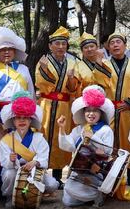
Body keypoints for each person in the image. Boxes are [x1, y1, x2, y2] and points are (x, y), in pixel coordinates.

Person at [36, 26, 90, 183]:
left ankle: (58, 175)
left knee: (62, 135)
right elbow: (41, 84)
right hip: (47, 104)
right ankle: (41, 172)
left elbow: (73, 89)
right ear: (50, 46)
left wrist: (72, 78)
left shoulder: (72, 63)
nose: (60, 47)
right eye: (57, 43)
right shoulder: (43, 61)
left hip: (64, 106)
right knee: (44, 134)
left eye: (63, 44)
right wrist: (45, 69)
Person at [58, 86, 116, 208]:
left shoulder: (106, 130)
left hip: (96, 173)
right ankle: (88, 196)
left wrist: (92, 137)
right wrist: (62, 129)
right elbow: (68, 146)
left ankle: (99, 192)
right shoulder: (78, 129)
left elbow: (108, 151)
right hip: (78, 172)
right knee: (68, 202)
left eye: (95, 110)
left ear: (101, 113)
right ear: (83, 112)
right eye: (88, 110)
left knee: (84, 193)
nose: (91, 113)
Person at [0, 93, 58, 207]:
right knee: (9, 175)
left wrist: (35, 162)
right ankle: (10, 196)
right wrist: (11, 160)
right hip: (14, 170)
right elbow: (4, 163)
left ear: (30, 120)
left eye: (25, 117)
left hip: (34, 170)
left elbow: (44, 158)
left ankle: (37, 193)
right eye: (18, 118)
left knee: (52, 185)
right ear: (13, 121)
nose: (22, 121)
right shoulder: (6, 140)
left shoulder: (39, 138)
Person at [0, 27, 34, 151]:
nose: (7, 52)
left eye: (10, 49)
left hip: (20, 112)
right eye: (3, 49)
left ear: (15, 51)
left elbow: (31, 92)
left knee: (20, 140)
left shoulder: (23, 69)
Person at [99, 32, 130, 157]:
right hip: (109, 110)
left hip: (128, 110)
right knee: (109, 141)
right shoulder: (104, 65)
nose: (115, 45)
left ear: (125, 45)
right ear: (108, 47)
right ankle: (110, 167)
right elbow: (99, 85)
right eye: (112, 43)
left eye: (118, 42)